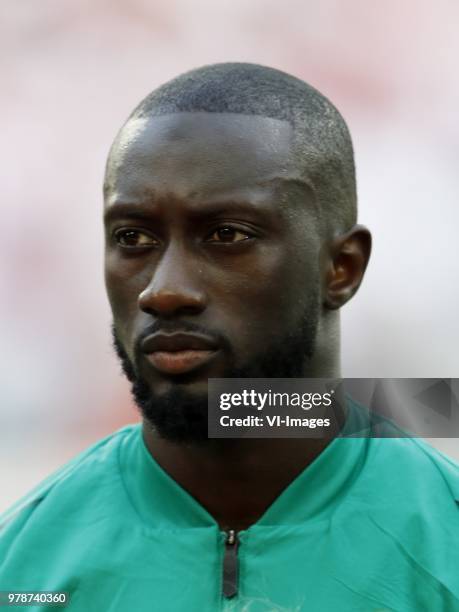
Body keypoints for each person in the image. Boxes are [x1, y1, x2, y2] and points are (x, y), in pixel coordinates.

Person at [1, 63, 458, 611]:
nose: (163, 292)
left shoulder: (442, 541)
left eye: (227, 235)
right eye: (133, 237)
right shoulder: (22, 566)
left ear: (342, 268)